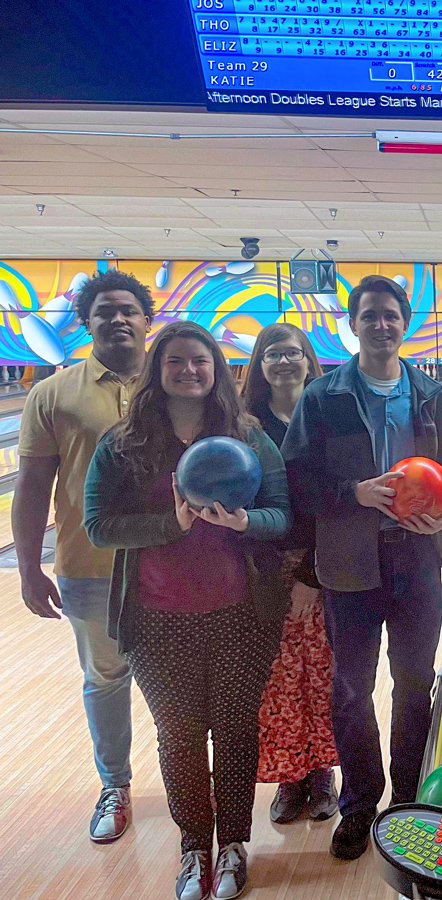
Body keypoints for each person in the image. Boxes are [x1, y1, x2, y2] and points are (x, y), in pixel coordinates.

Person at [83, 321, 292, 900]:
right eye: (175, 360)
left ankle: (233, 845)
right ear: (157, 370)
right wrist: (169, 525)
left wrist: (246, 522)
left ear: (216, 368)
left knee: (234, 730)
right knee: (178, 735)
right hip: (156, 618)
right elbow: (98, 526)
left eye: (200, 360)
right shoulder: (122, 444)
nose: (189, 370)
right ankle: (195, 847)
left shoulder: (248, 436)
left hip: (241, 614)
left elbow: (281, 514)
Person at [282, 275, 442, 861]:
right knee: (352, 688)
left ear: (404, 323)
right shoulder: (323, 397)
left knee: (414, 684)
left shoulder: (430, 394)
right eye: (370, 315)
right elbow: (295, 481)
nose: (381, 325)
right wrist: (354, 493)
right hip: (349, 564)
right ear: (353, 323)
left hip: (416, 559)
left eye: (391, 315)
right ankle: (361, 803)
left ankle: (408, 797)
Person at [13, 271, 152, 843]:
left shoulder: (177, 380)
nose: (117, 319)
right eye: (104, 311)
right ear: (86, 322)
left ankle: (195, 782)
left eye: (128, 309)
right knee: (105, 678)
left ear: (146, 319)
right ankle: (114, 786)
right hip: (90, 566)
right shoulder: (52, 393)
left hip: (176, 564)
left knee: (189, 681)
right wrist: (28, 567)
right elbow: (31, 486)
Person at [241, 324, 339, 823]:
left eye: (292, 353)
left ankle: (322, 772)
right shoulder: (245, 426)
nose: (283, 362)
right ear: (259, 365)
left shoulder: (325, 415)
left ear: (308, 360)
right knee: (277, 681)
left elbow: (334, 500)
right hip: (262, 569)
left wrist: (310, 574)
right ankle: (289, 776)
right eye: (272, 354)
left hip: (321, 564)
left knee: (322, 674)